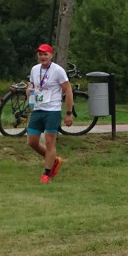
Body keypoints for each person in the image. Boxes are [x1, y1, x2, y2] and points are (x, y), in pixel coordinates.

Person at [26, 44, 74, 184]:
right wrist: (29, 90)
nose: (42, 57)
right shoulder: (35, 69)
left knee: (49, 140)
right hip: (38, 109)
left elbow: (68, 91)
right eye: (40, 54)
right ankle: (54, 160)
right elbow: (32, 86)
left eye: (45, 54)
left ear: (51, 56)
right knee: (32, 141)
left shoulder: (58, 71)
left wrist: (68, 113)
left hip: (52, 110)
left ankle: (46, 174)